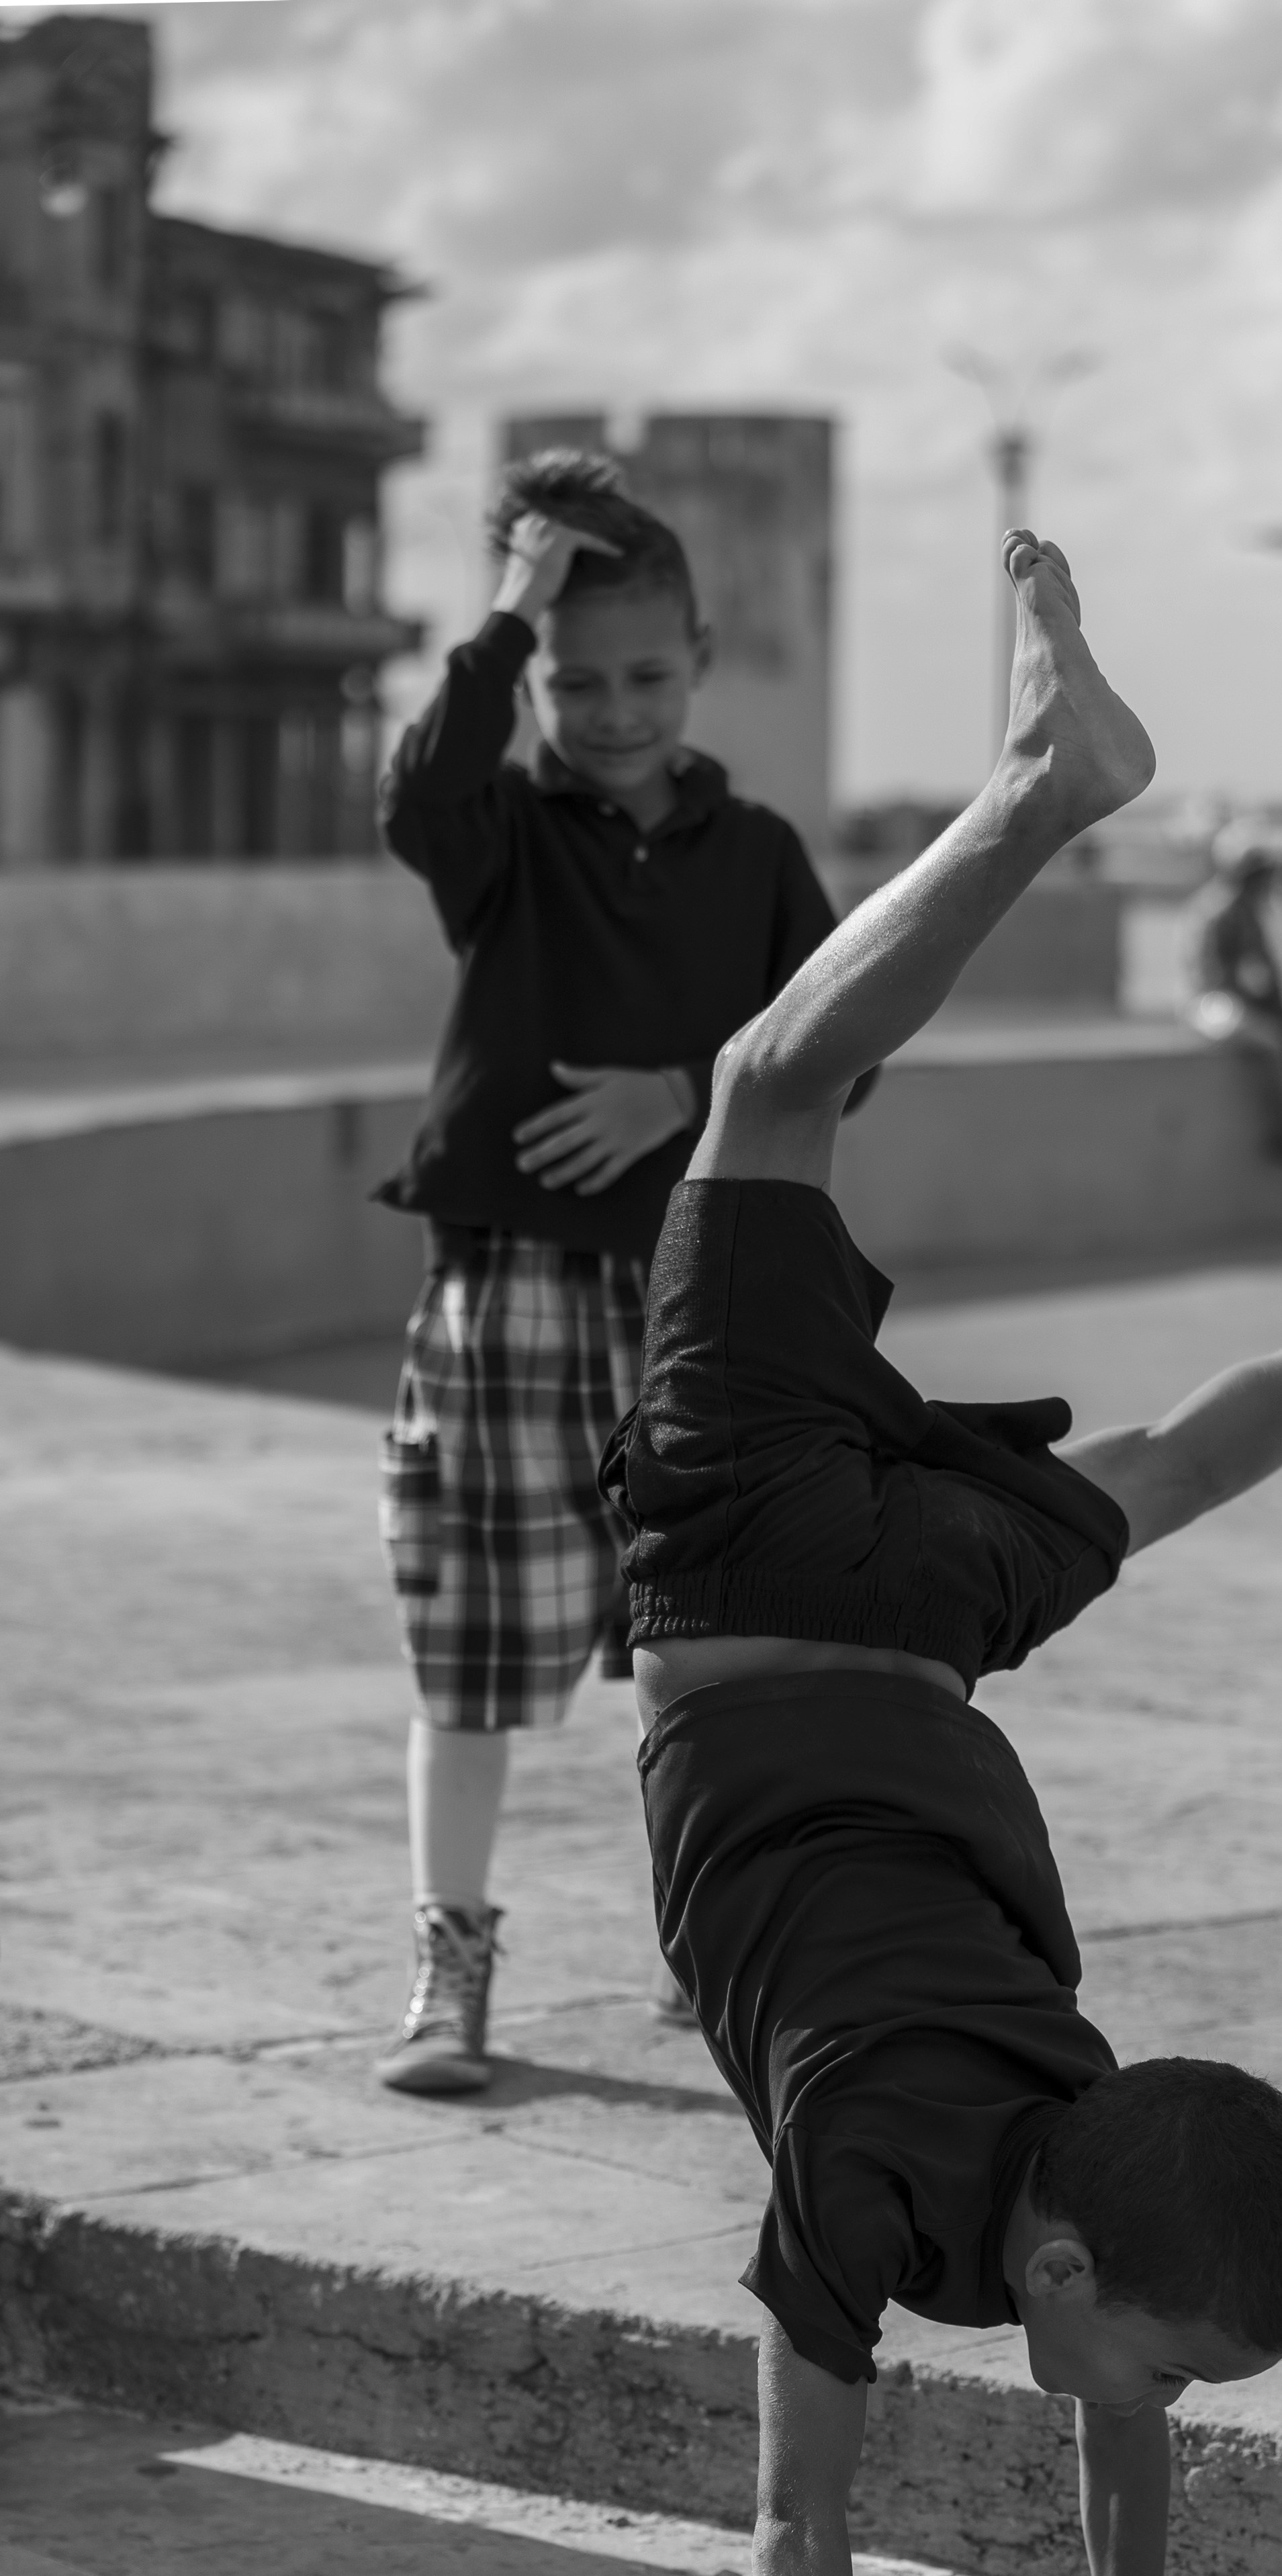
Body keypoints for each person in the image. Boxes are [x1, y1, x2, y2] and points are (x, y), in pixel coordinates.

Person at [605, 531, 1282, 2576]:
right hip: (769, 1596)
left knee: (1160, 1482)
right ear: (1065, 2264)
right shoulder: (879, 2179)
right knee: (764, 1087)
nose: (1154, 2410)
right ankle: (1038, 785)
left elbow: (1101, 2407)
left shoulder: (1076, 2131)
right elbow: (796, 2519)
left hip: (914, 1657)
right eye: (1167, 2362)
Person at [371, 447, 856, 2094]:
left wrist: (683, 1086)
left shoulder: (764, 850)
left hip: (692, 1299)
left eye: (648, 672)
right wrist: (510, 607)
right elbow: (418, 782)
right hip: (503, 1290)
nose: (616, 707)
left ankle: (700, 1954)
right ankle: (450, 1959)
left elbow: (840, 1047)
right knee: (470, 1646)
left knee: (708, 1649)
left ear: (702, 659)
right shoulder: (500, 834)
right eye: (577, 679)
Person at [1183, 824, 1282, 1170]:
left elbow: (1267, 969)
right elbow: (1211, 976)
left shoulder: (1248, 910)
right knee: (1268, 1040)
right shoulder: (1217, 909)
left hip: (1233, 999)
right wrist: (1259, 1004)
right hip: (1209, 1002)